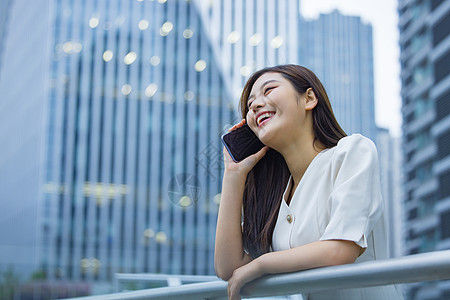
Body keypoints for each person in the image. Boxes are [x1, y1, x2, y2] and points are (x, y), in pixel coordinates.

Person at [214, 64, 403, 300]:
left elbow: (340, 250)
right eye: (250, 103)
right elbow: (229, 268)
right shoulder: (278, 196)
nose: (254, 105)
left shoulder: (352, 151)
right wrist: (233, 174)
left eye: (269, 90)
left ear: (309, 98)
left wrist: (262, 264)